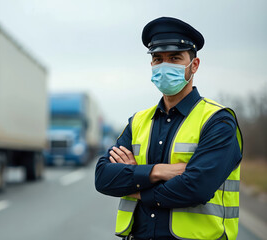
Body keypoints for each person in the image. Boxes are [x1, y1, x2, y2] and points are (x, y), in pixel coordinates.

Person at [95, 16, 243, 240]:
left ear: (194, 65)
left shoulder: (218, 121)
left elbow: (195, 188)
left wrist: (135, 185)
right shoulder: (137, 122)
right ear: (151, 64)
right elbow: (103, 177)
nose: (164, 65)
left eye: (174, 58)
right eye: (158, 58)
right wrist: (159, 171)